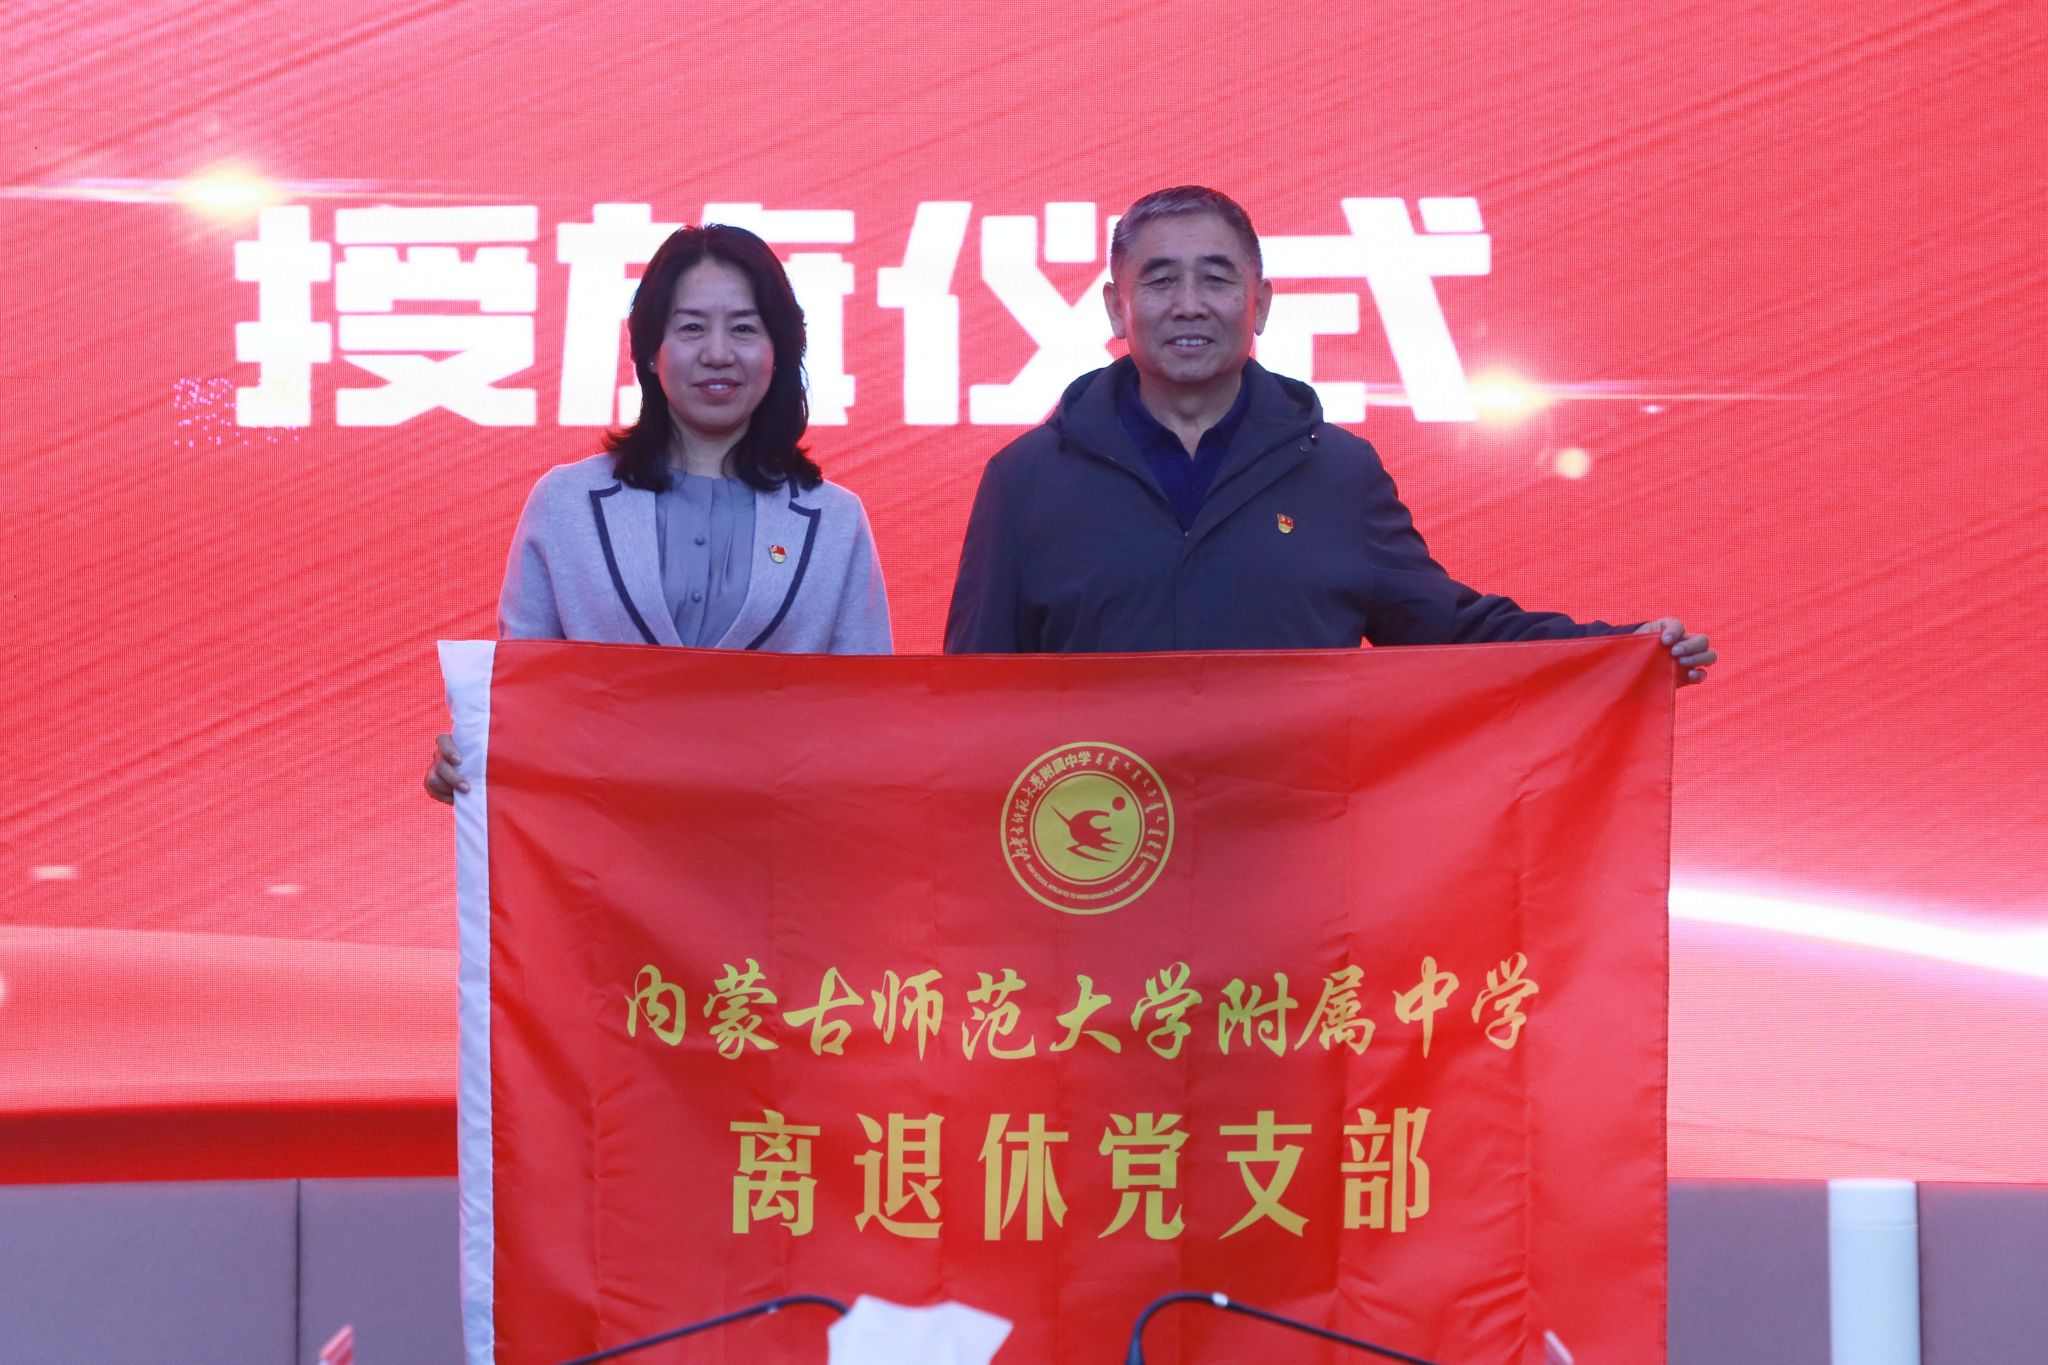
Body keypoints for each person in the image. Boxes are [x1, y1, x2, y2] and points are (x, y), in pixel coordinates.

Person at [944, 185, 1715, 681]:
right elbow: (972, 697)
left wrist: (1619, 654)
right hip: (1098, 863)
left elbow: (1446, 631)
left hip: (1292, 858)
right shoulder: (1027, 479)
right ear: (1117, 308)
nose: (1189, 303)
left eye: (1217, 278)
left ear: (1261, 303)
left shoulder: (1338, 472)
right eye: (1160, 279)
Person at [426, 224, 891, 801]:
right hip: (605, 842)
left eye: (744, 328)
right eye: (691, 327)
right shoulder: (566, 503)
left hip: (778, 845)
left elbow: (867, 720)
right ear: (650, 349)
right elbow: (526, 701)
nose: (717, 353)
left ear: (779, 351)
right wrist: (472, 758)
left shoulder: (836, 520)